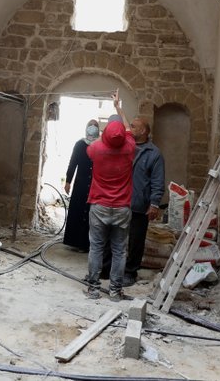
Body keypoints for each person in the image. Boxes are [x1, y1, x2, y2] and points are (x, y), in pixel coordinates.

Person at [84, 91, 136, 301]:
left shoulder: (95, 149)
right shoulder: (130, 148)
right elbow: (128, 129)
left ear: (105, 132)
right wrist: (118, 108)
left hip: (99, 205)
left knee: (96, 247)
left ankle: (94, 289)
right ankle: (115, 291)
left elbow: (106, 136)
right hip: (122, 207)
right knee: (119, 251)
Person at [123, 117, 165, 287]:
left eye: (133, 127)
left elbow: (157, 181)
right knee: (115, 237)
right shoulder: (126, 146)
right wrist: (118, 107)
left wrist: (154, 204)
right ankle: (109, 268)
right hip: (120, 201)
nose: (129, 128)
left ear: (142, 131)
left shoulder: (154, 154)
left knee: (136, 240)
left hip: (139, 204)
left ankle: (130, 272)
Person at [63, 119, 99, 252]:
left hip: (95, 184)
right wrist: (68, 181)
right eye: (91, 125)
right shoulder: (80, 144)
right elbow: (73, 163)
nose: (93, 127)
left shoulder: (101, 145)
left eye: (95, 125)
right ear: (86, 127)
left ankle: (86, 244)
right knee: (78, 210)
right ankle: (74, 241)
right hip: (81, 183)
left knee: (90, 214)